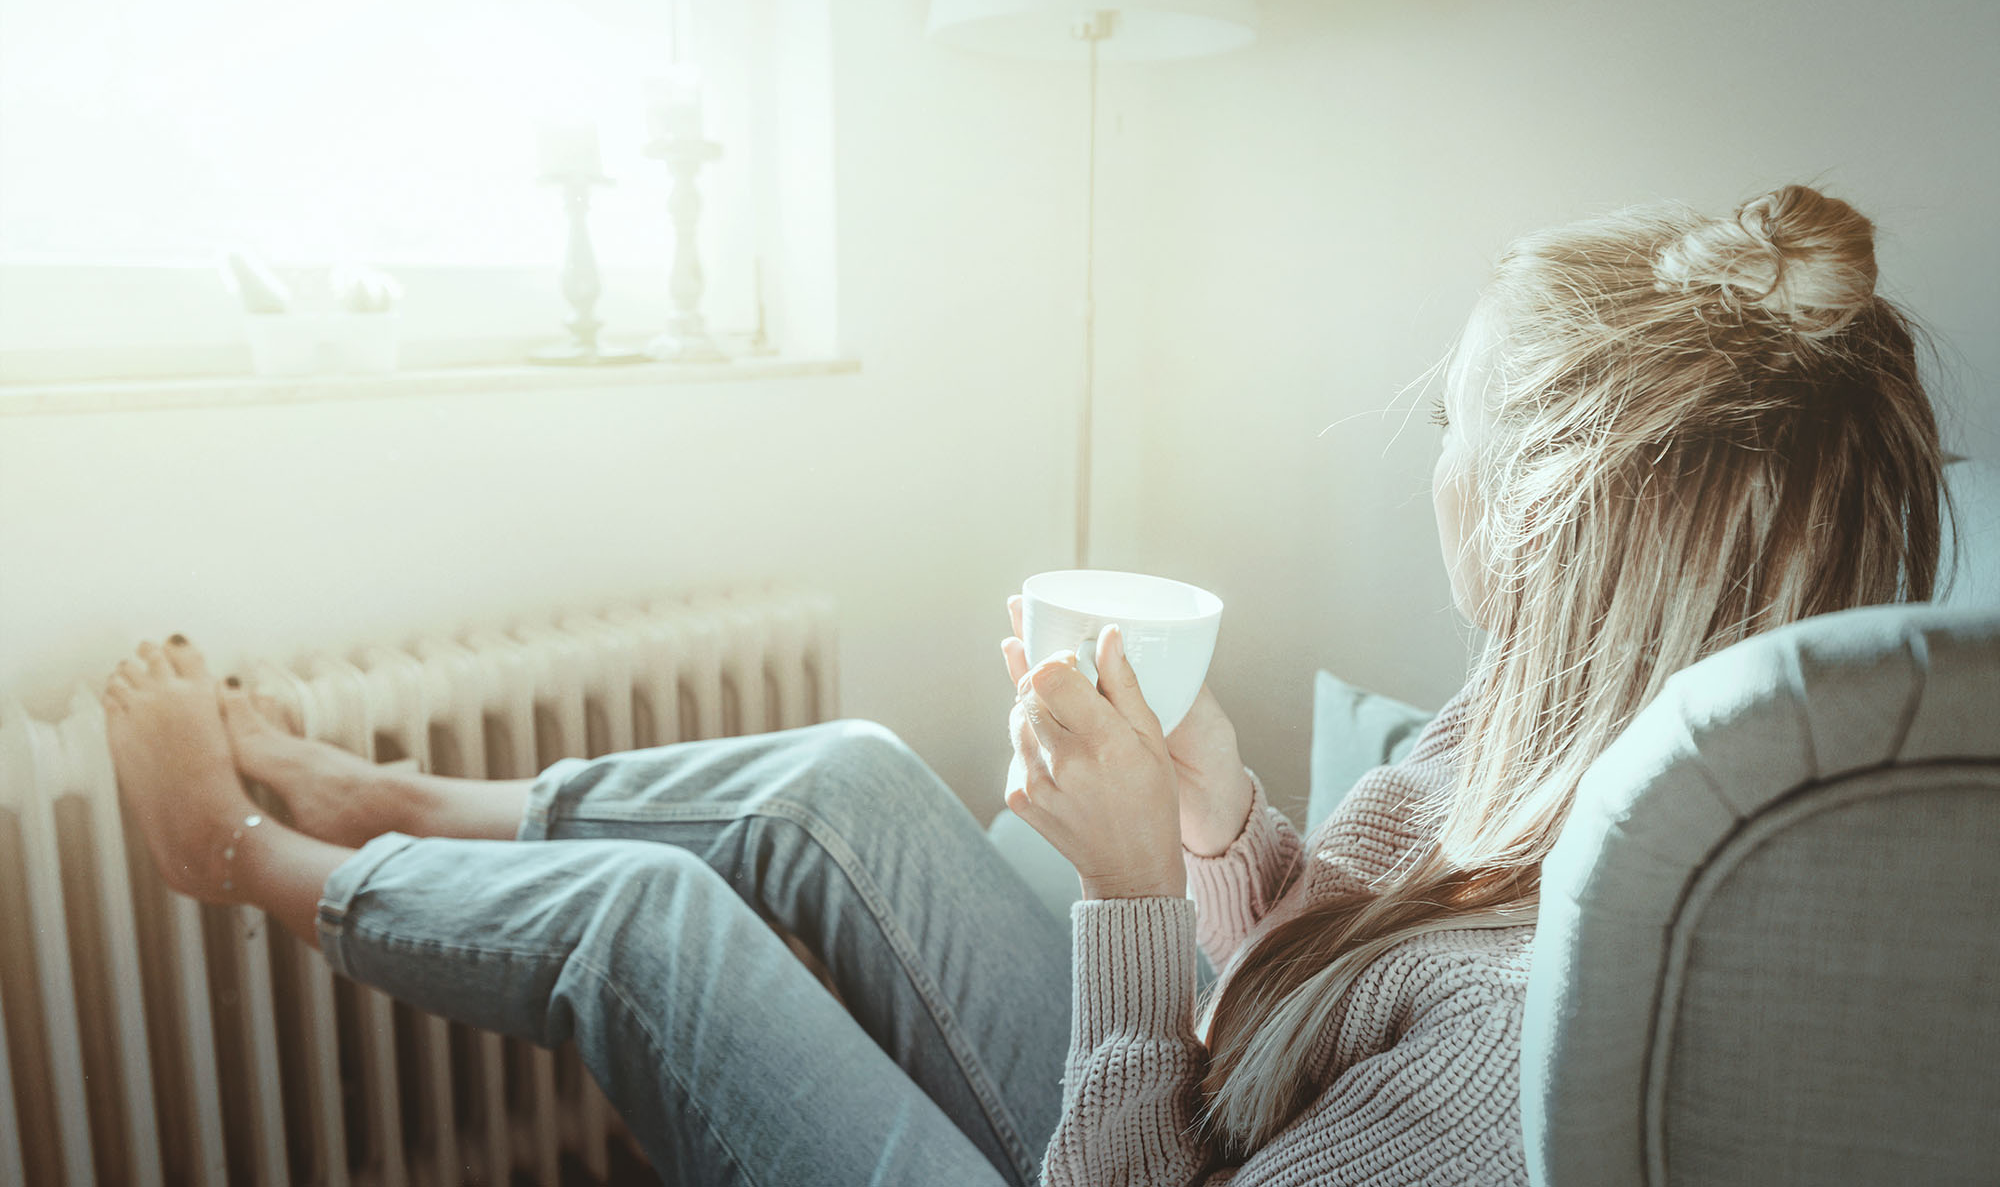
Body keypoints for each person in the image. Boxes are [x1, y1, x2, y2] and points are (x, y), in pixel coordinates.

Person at [103, 184, 1945, 1185]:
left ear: (1544, 518)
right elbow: (1316, 1000)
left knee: (650, 926)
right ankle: (397, 804)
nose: (1435, 463)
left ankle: (239, 859)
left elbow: (1308, 1071)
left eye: (1454, 423)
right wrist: (1216, 811)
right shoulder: (1550, 718)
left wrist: (1131, 898)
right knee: (841, 773)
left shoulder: (1499, 1074)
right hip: (1198, 1109)